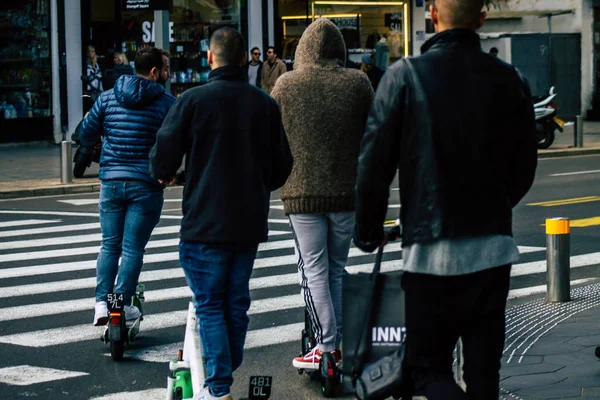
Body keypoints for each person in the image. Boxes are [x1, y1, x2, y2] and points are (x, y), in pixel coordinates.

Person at [353, 0, 537, 399]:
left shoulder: (405, 76)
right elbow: (524, 167)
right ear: (482, 17)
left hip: (430, 254)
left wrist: (368, 232)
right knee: (484, 375)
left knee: (427, 370)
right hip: (492, 251)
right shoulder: (511, 79)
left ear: (433, 14)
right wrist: (495, 206)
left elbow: (373, 167)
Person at [149, 28, 293, 400]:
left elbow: (163, 154)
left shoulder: (192, 101)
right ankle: (225, 369)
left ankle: (219, 386)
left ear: (210, 58)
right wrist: (260, 182)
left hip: (203, 221)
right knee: (236, 301)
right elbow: (282, 165)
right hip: (247, 223)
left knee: (210, 303)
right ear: (245, 58)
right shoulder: (264, 104)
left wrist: (166, 174)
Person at [270, 18, 373, 370]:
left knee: (312, 269)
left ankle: (326, 346)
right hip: (347, 192)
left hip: (301, 193)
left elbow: (271, 133)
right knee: (336, 270)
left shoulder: (286, 84)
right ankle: (334, 343)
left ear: (302, 50)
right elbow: (373, 133)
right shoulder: (358, 83)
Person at [80, 47, 176, 327]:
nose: (169, 75)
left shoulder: (107, 98)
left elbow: (86, 132)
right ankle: (119, 307)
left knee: (110, 246)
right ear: (155, 72)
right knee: (133, 249)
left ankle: (102, 304)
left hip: (111, 182)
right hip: (145, 184)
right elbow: (174, 142)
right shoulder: (166, 103)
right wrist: (168, 172)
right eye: (167, 69)